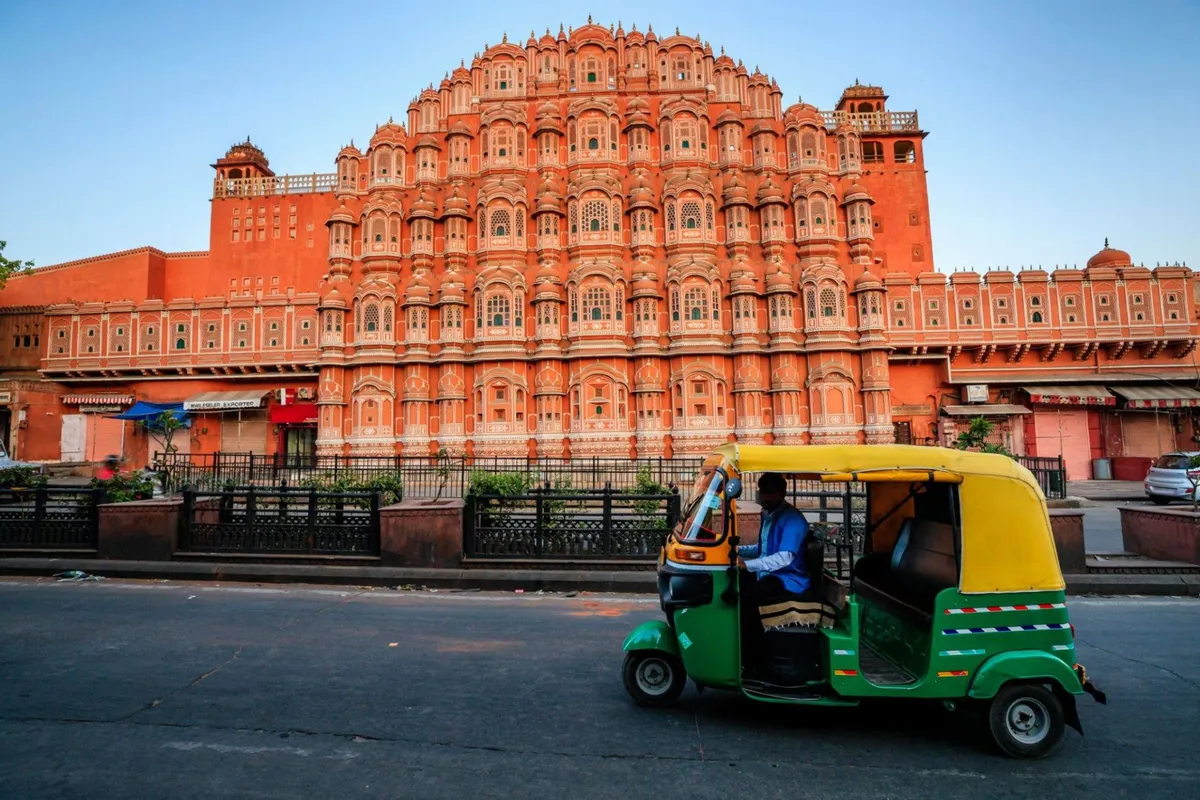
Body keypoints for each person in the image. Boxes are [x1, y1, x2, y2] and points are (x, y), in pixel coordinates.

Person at [737, 472, 812, 674]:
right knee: (734, 586)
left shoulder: (792, 519)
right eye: (762, 492)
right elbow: (762, 549)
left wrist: (748, 566)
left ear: (781, 493)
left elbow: (784, 558)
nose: (764, 497)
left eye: (769, 493)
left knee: (748, 601)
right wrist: (736, 551)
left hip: (790, 580)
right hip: (771, 575)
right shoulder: (770, 515)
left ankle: (754, 662)